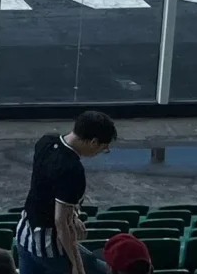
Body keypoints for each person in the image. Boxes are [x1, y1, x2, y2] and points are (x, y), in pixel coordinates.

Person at [13, 111, 118, 274]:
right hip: (49, 246)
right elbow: (61, 222)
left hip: (25, 234)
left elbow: (46, 187)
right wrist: (76, 264)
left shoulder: (45, 142)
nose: (104, 151)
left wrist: (72, 216)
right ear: (93, 142)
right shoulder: (73, 170)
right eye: (103, 147)